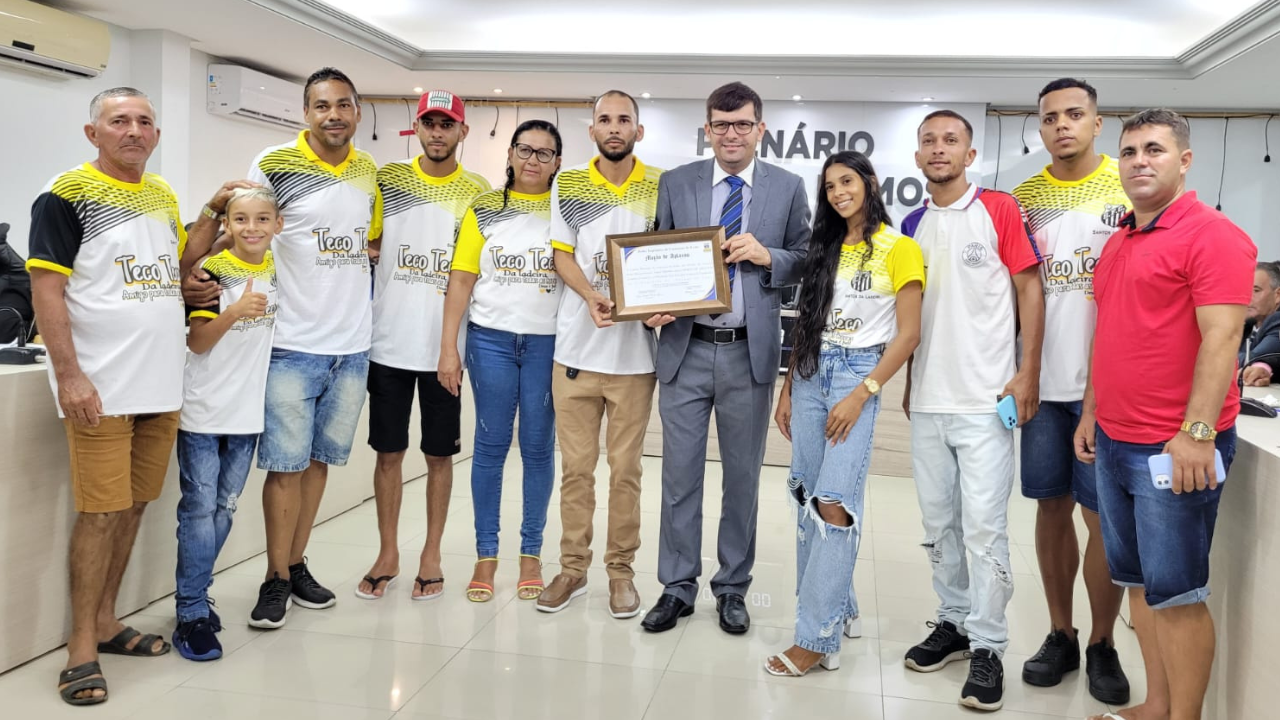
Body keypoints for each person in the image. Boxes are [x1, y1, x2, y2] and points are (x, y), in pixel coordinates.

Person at [182, 67, 380, 629]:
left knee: (319, 464)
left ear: (358, 112)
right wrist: (194, 273)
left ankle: (296, 563)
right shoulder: (273, 163)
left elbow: (369, 241)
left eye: (343, 104)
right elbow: (243, 230)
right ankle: (273, 577)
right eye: (322, 106)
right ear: (306, 112)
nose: (333, 115)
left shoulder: (368, 171)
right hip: (292, 342)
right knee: (285, 467)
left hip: (352, 346)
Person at [1077, 108, 1255, 720]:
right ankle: (1156, 706)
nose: (1139, 162)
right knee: (1140, 586)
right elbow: (1111, 334)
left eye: (1154, 150)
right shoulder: (1122, 239)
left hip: (1176, 449)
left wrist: (1198, 435)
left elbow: (1223, 337)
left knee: (1178, 594)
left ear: (1183, 160)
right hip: (1115, 439)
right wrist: (1090, 415)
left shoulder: (1214, 236)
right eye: (1128, 152)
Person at [27, 87, 185, 706]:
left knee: (134, 506)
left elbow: (170, 270)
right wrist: (69, 375)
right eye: (119, 121)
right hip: (100, 387)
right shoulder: (65, 193)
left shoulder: (163, 195)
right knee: (98, 513)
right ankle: (80, 650)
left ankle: (108, 621)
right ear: (94, 133)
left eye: (145, 121)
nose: (134, 130)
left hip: (160, 383)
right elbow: (46, 291)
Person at [641, 82, 811, 635]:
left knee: (741, 480)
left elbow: (808, 258)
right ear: (707, 128)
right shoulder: (677, 182)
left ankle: (733, 588)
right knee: (679, 478)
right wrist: (653, 304)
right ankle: (676, 586)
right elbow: (657, 254)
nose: (731, 134)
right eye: (721, 124)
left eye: (742, 125)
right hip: (686, 350)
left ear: (761, 129)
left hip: (749, 355)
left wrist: (769, 256)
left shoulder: (787, 188)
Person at [899, 109, 1044, 712]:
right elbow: (912, 314)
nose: (939, 149)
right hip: (929, 400)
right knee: (939, 528)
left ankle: (989, 646)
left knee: (985, 530)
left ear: (969, 152)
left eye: (950, 140)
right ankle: (954, 622)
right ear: (917, 157)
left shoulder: (1001, 209)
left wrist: (1026, 372)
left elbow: (1029, 289)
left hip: (987, 402)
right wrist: (909, 381)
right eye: (929, 141)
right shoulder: (909, 223)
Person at [764, 151, 923, 677]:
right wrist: (788, 388)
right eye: (830, 185)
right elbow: (807, 322)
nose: (838, 192)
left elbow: (908, 334)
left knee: (835, 503)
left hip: (857, 375)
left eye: (847, 181)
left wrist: (863, 392)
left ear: (870, 184)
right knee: (807, 494)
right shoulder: (824, 246)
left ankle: (816, 637)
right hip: (809, 372)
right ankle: (838, 606)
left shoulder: (900, 248)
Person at [1010, 78, 1131, 703]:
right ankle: (1061, 632)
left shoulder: (1127, 187)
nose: (1062, 125)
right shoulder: (1024, 198)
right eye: (1050, 117)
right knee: (1049, 507)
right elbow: (1015, 292)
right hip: (1042, 386)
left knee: (1102, 518)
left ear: (1097, 122)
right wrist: (1020, 371)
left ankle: (1103, 642)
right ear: (1039, 126)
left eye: (1074, 114)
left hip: (1108, 391)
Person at [357, 90, 490, 601]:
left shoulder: (478, 191)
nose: (437, 132)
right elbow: (366, 243)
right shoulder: (387, 181)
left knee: (439, 456)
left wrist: (452, 345)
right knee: (388, 454)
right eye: (429, 123)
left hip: (445, 350)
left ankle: (431, 554)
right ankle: (388, 551)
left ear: (463, 132)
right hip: (387, 343)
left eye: (447, 124)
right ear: (418, 127)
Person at [538, 91, 665, 618]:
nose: (614, 128)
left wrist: (662, 305)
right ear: (591, 130)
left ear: (639, 130)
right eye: (605, 120)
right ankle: (571, 569)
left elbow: (670, 255)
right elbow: (560, 253)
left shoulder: (662, 184)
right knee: (577, 471)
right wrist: (591, 295)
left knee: (626, 472)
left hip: (635, 359)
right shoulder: (566, 183)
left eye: (624, 120)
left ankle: (620, 572)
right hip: (575, 353)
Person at [438, 119, 563, 602]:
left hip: (546, 344)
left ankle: (530, 553)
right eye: (525, 150)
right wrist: (449, 347)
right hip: (489, 341)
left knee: (537, 448)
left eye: (545, 153)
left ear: (557, 163)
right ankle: (485, 556)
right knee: (489, 448)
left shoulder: (563, 210)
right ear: (509, 154)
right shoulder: (484, 208)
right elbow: (462, 281)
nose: (533, 160)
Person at [174, 187, 280, 659]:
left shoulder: (281, 270)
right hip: (202, 412)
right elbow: (198, 342)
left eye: (262, 219)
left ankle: (194, 594)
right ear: (227, 225)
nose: (252, 228)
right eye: (241, 220)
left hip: (246, 416)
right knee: (199, 511)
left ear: (278, 225)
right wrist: (234, 312)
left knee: (225, 509)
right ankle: (191, 610)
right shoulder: (212, 272)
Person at [1238, 261, 1280, 386]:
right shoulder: (1246, 324)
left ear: (1278, 295)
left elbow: (1253, 360)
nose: (1247, 297)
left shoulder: (1277, 321)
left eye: (1256, 290)